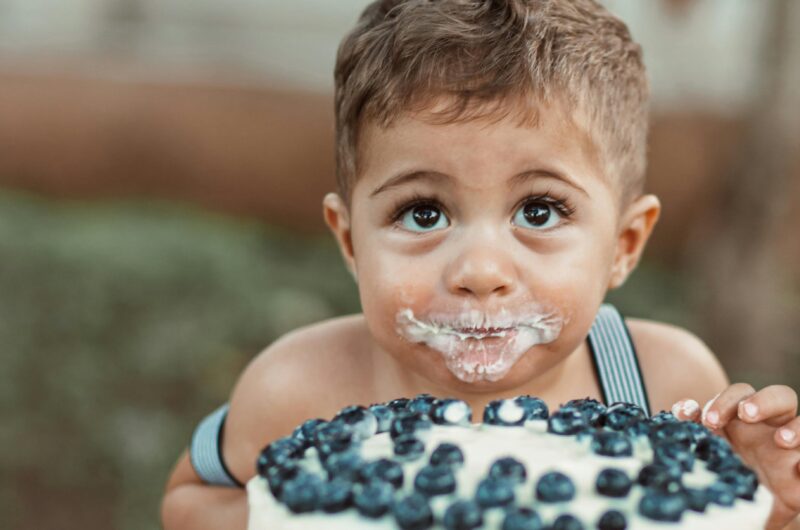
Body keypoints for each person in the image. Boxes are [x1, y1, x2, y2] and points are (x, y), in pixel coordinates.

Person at [161, 1, 800, 529]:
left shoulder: (665, 386)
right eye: (422, 213)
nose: (480, 269)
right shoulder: (296, 390)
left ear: (625, 245)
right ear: (351, 241)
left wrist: (772, 505)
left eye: (541, 211)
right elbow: (191, 503)